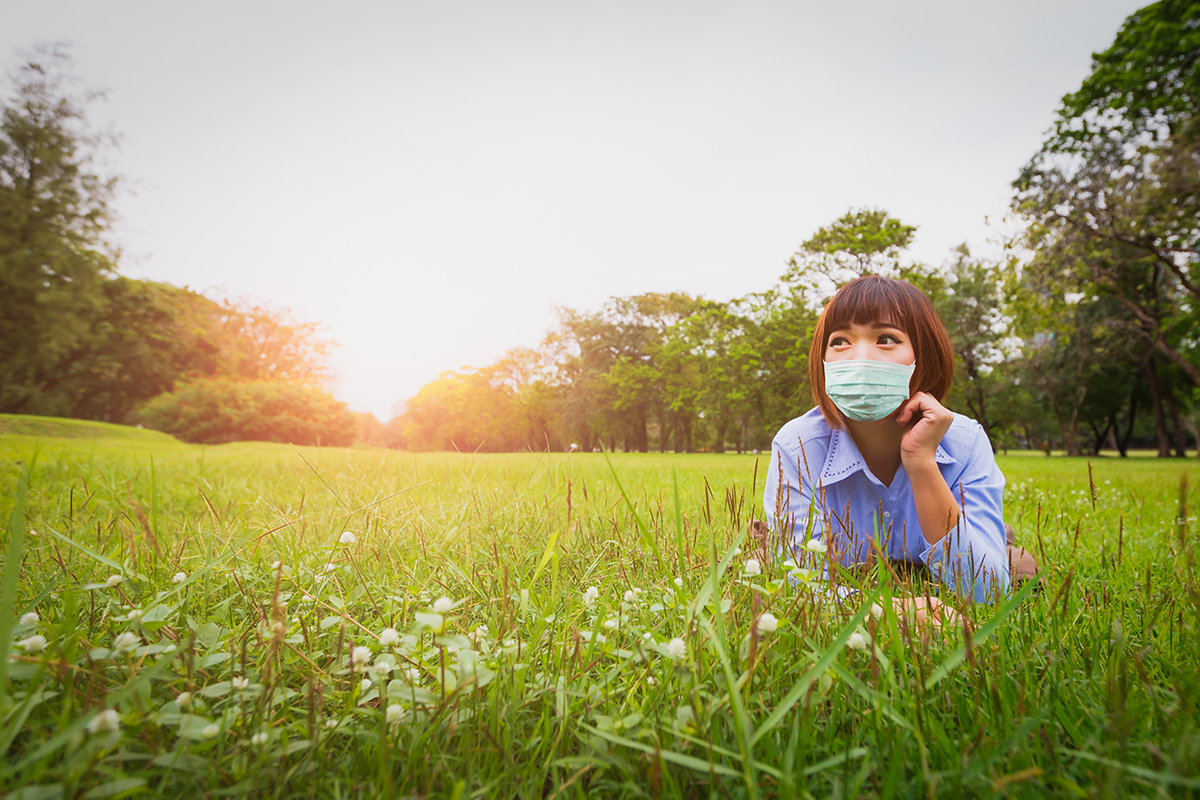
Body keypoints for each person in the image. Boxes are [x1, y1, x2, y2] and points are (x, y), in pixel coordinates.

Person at [760, 275, 1037, 620]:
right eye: (840, 341)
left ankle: (995, 536)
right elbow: (800, 584)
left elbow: (987, 591)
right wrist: (891, 612)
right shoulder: (797, 445)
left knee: (1011, 560)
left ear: (924, 357)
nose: (860, 357)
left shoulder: (966, 442)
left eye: (886, 339)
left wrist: (922, 464)